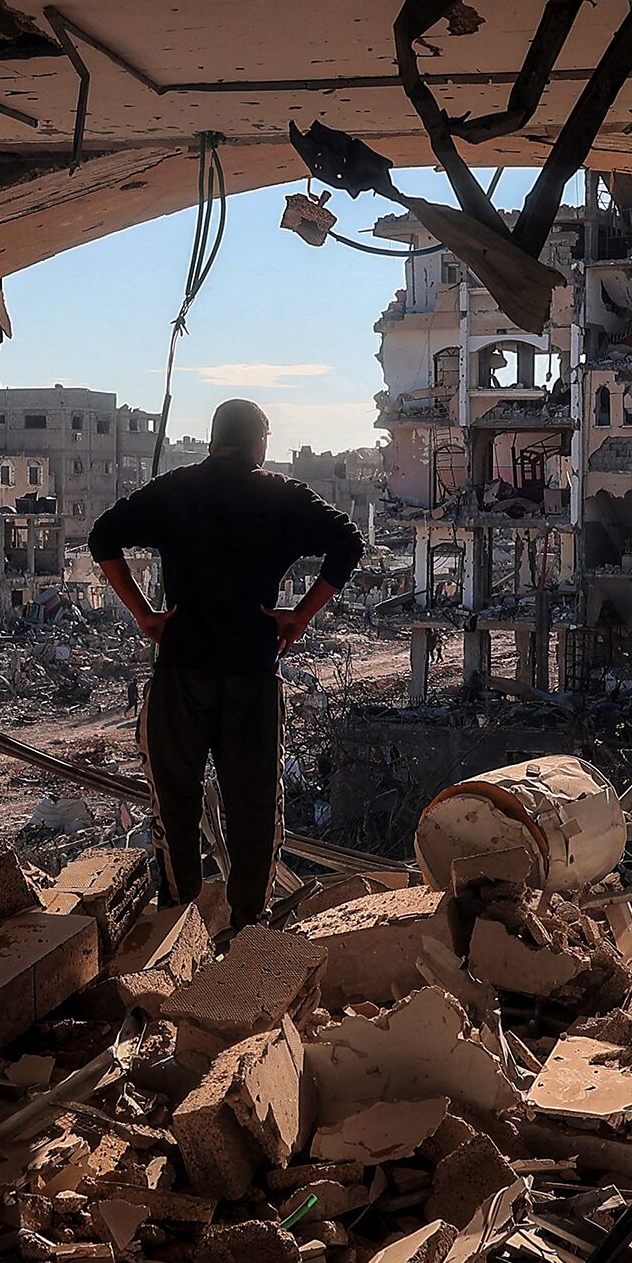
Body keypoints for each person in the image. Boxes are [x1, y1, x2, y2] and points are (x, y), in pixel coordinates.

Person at [88, 398, 364, 933]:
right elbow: (348, 542)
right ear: (260, 443)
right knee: (253, 804)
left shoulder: (176, 489)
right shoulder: (281, 496)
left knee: (176, 801)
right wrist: (300, 616)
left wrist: (147, 617)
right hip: (252, 678)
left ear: (213, 441)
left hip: (182, 674)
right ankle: (247, 928)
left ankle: (177, 925)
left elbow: (103, 537)